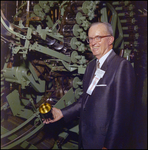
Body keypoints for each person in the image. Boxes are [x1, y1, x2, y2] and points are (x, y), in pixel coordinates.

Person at [43, 22, 136, 149]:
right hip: (86, 138)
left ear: (110, 40)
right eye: (90, 39)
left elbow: (122, 114)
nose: (93, 43)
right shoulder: (91, 66)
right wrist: (62, 113)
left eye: (98, 37)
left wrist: (109, 146)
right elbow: (85, 100)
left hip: (103, 141)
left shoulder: (121, 66)